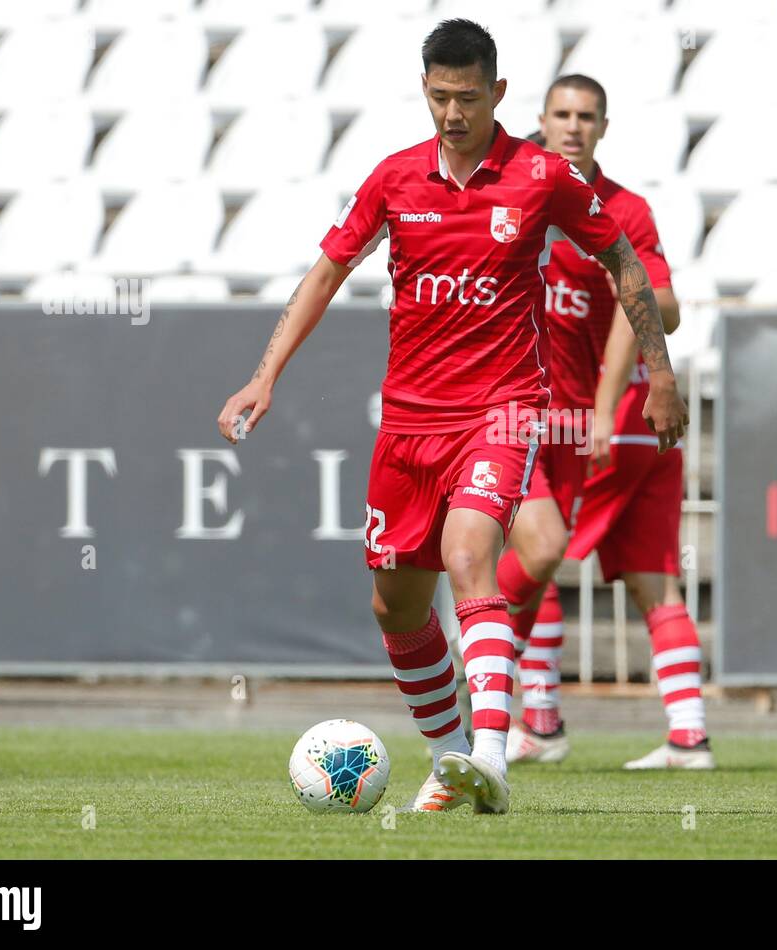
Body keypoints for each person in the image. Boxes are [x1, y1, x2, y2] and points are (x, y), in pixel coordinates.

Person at [215, 21, 688, 813]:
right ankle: (450, 759)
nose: (452, 113)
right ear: (425, 91)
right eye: (439, 97)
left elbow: (622, 259)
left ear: (498, 94)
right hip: (407, 426)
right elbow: (326, 271)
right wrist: (264, 377)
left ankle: (495, 758)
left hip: (501, 411)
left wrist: (661, 374)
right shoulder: (394, 179)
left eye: (468, 98)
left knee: (471, 551)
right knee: (394, 605)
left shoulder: (540, 176)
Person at [505, 75, 714, 771]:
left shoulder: (617, 210)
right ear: (542, 119)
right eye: (562, 114)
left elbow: (657, 301)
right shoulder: (527, 196)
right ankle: (689, 735)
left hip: (591, 425)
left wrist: (600, 402)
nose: (573, 126)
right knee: (655, 578)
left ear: (603, 126)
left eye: (585, 116)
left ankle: (535, 719)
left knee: (533, 560)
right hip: (633, 428)